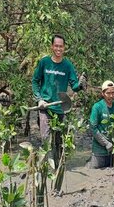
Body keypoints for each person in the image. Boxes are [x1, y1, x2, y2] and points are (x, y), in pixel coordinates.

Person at [32, 34, 86, 166]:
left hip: (60, 108)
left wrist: (80, 85)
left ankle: (58, 168)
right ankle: (46, 169)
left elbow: (73, 85)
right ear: (52, 46)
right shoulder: (44, 62)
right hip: (45, 107)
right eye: (56, 46)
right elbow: (35, 81)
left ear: (64, 48)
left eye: (61, 46)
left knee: (58, 141)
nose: (58, 48)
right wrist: (39, 99)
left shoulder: (67, 65)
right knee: (46, 138)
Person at [89, 80, 114, 169]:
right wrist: (106, 143)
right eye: (108, 93)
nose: (111, 96)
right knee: (94, 170)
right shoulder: (97, 107)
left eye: (113, 93)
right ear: (103, 94)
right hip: (99, 150)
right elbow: (93, 128)